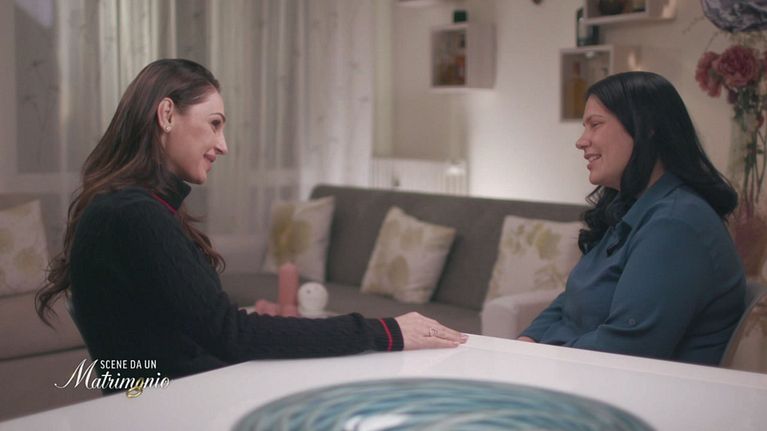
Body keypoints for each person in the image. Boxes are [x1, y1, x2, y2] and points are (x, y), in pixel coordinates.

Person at [35, 59, 466, 388]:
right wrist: (385, 331)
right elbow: (231, 337)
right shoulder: (136, 214)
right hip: (173, 410)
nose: (222, 145)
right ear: (166, 115)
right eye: (214, 124)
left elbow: (184, 326)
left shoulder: (122, 206)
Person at [518, 71, 745, 366]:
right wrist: (529, 341)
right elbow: (571, 298)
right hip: (578, 373)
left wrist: (538, 359)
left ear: (646, 127)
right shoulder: (630, 208)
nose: (581, 141)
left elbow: (626, 348)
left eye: (595, 125)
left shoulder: (675, 225)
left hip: (622, 387)